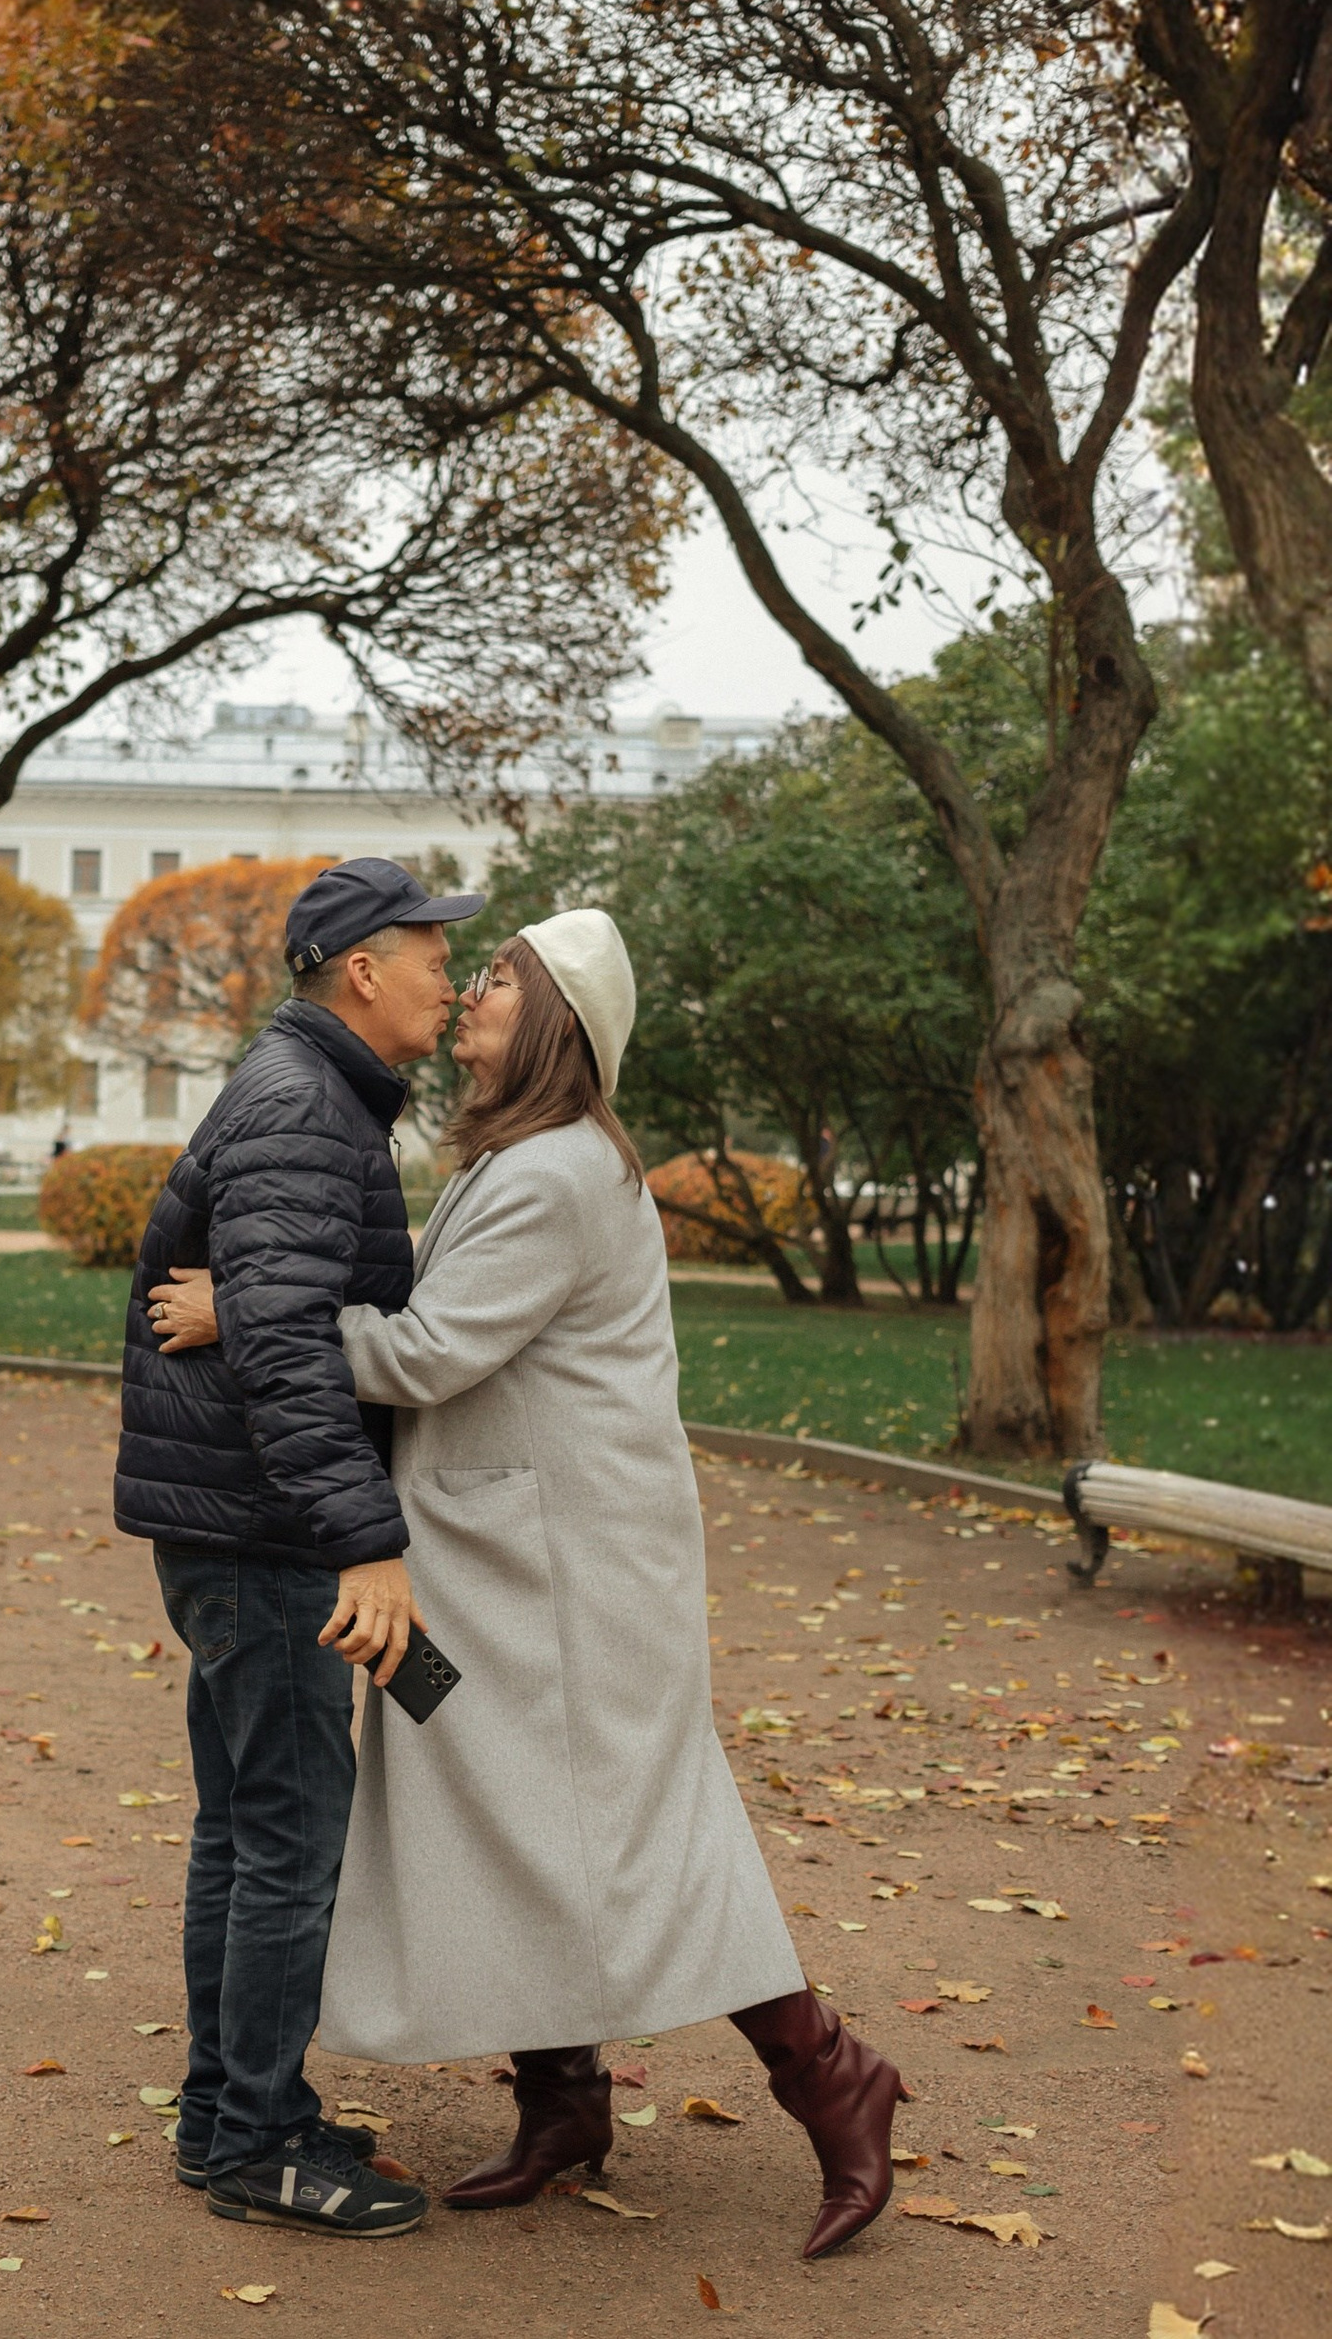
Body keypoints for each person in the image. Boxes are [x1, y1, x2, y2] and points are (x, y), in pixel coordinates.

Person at [147, 911, 905, 2262]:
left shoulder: (558, 1171)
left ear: (554, 1018)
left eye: (498, 976)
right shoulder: (522, 1155)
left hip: (572, 1580)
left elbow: (433, 1353)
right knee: (506, 1815)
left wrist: (249, 1313)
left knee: (634, 1829)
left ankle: (833, 2075)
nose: (474, 987)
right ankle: (563, 2103)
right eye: (472, 968)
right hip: (490, 1566)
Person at [112, 855, 478, 2240]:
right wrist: (364, 1546)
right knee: (285, 1841)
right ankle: (259, 2141)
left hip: (234, 1524)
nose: (451, 974)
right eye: (431, 952)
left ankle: (228, 2116)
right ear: (361, 971)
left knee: (246, 1831)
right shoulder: (303, 1109)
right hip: (264, 1537)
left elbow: (264, 1314)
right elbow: (279, 1348)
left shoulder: (308, 1096)